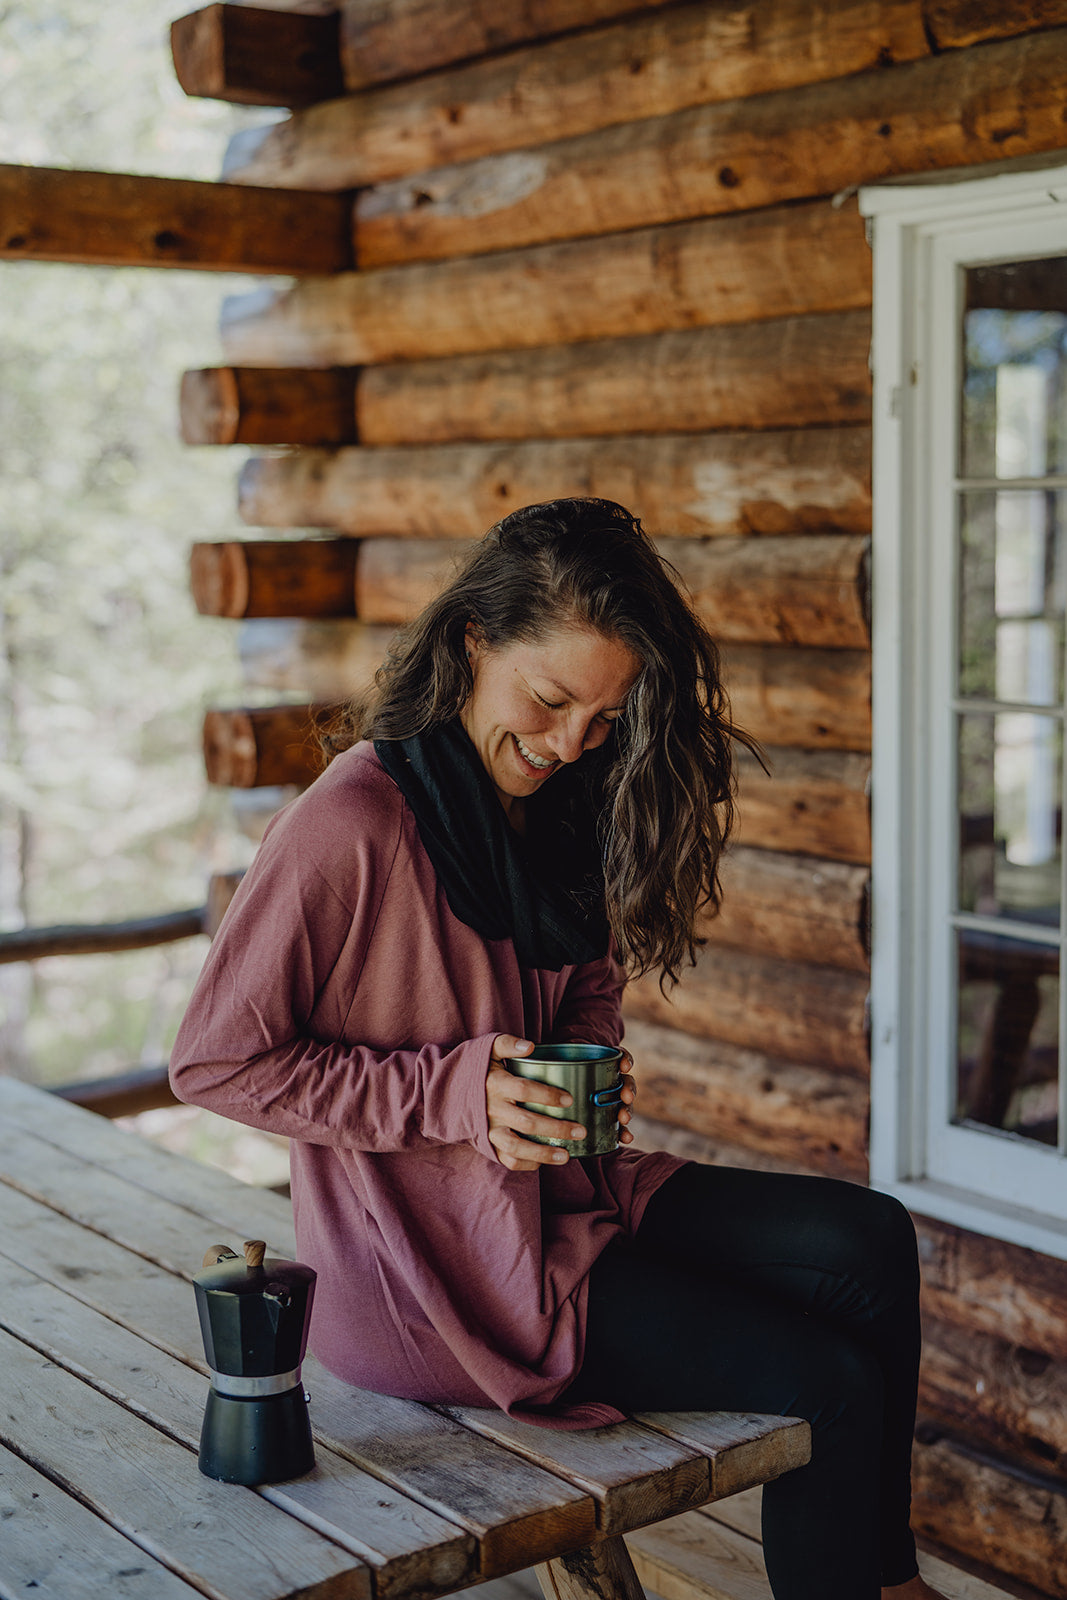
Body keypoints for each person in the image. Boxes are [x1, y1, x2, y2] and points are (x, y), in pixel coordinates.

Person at [170, 498, 944, 1600]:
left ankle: (891, 1585)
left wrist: (577, 1055)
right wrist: (455, 1093)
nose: (569, 740)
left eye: (604, 715)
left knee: (868, 1238)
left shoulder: (557, 804)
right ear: (473, 642)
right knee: (827, 1379)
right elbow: (213, 1059)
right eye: (549, 699)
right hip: (436, 1281)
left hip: (559, 1202)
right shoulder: (349, 822)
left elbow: (583, 986)